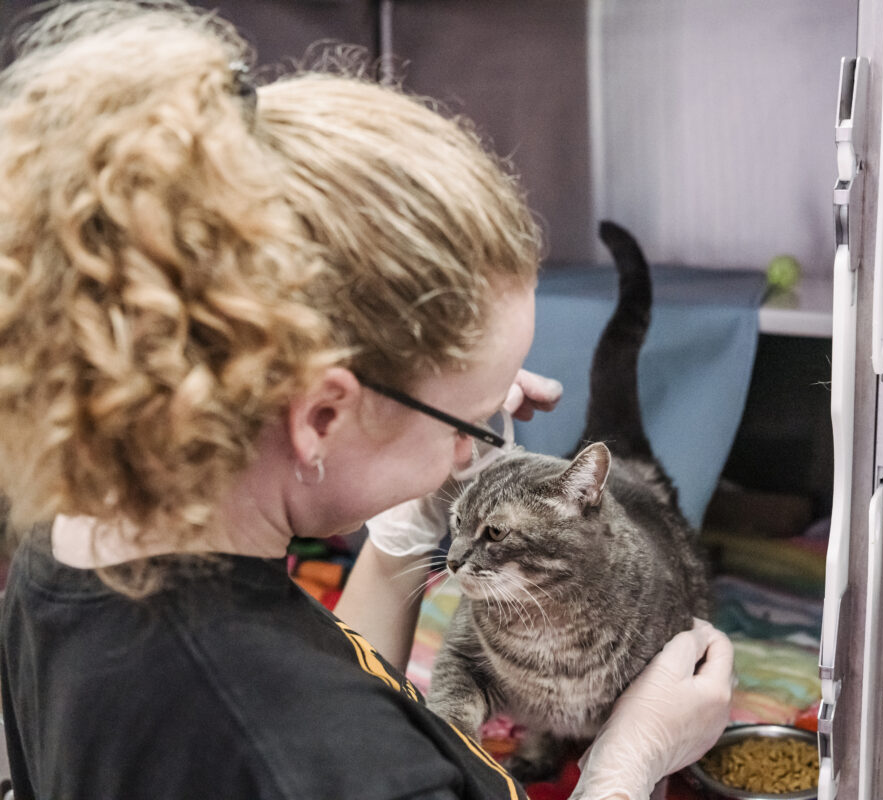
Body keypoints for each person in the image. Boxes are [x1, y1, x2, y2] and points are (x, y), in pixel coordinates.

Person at [0, 3, 734, 799]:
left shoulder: (75, 535)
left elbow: (339, 677)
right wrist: (624, 766)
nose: (477, 448)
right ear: (322, 416)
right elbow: (326, 740)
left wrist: (398, 523)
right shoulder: (317, 755)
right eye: (469, 421)